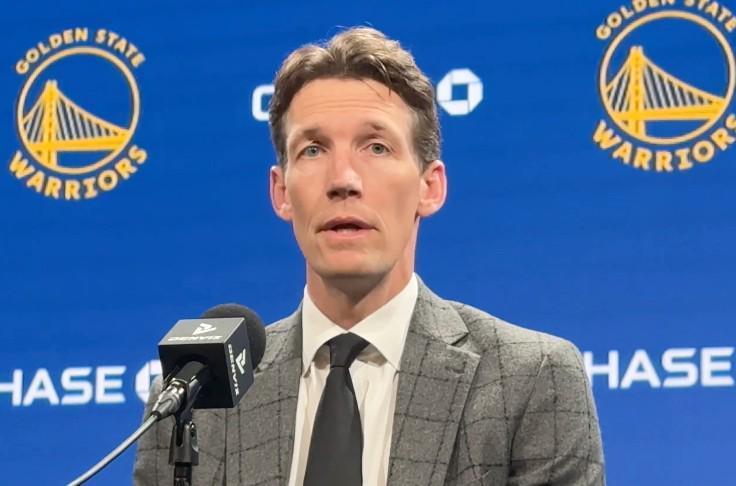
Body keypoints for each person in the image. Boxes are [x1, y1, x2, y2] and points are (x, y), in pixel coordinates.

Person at [134, 26, 605, 486]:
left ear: (430, 186)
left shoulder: (530, 379)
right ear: (281, 192)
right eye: (313, 150)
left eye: (376, 147)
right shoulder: (197, 400)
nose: (343, 179)